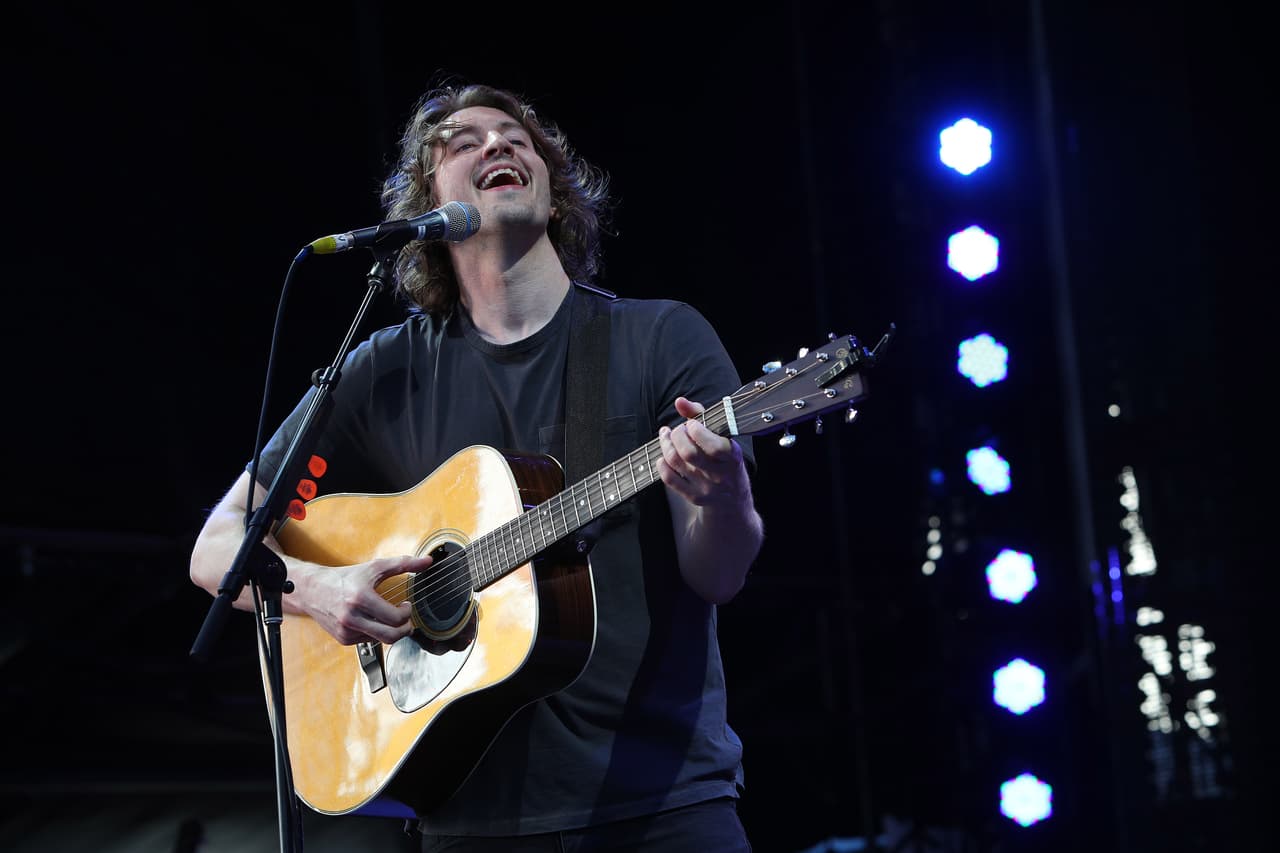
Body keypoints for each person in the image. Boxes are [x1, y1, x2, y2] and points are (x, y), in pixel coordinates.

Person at [189, 81, 764, 851]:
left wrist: (723, 497)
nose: (496, 145)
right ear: (427, 210)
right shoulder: (382, 372)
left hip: (662, 801)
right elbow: (217, 543)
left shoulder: (661, 339)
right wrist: (320, 589)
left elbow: (719, 573)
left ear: (555, 194)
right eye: (462, 142)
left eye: (515, 137)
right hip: (468, 814)